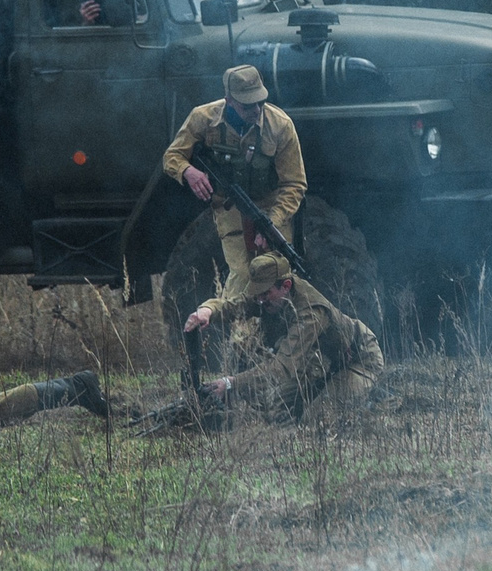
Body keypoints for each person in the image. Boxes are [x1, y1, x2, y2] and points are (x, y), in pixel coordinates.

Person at [171, 253, 381, 424]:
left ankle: (373, 400)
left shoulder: (310, 313)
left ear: (286, 286)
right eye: (258, 294)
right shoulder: (271, 294)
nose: (260, 300)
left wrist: (231, 383)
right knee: (276, 411)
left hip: (358, 361)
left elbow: (281, 368)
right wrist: (208, 310)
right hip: (320, 364)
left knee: (316, 420)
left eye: (265, 294)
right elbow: (239, 304)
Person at [162, 65, 307, 309]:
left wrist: (272, 222)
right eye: (247, 105)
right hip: (230, 209)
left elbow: (295, 183)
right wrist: (188, 171)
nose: (256, 110)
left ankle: (284, 329)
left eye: (260, 102)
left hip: (271, 208)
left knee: (280, 278)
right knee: (242, 274)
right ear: (229, 100)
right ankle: (235, 325)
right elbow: (172, 156)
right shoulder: (204, 118)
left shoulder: (280, 125)